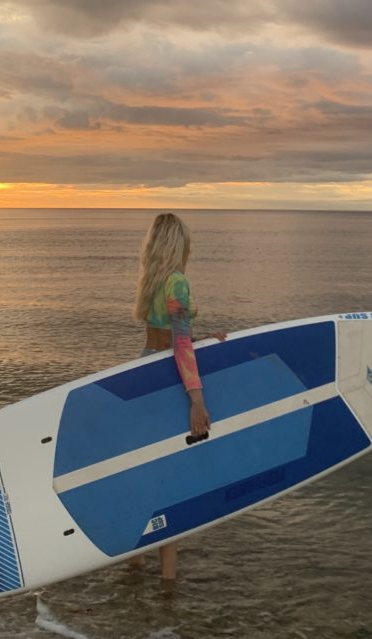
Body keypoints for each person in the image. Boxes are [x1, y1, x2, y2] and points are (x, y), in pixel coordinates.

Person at [131, 212, 225, 581]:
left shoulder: (151, 281)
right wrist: (197, 400)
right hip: (170, 379)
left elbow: (167, 338)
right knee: (171, 478)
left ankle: (134, 566)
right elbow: (181, 344)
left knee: (150, 472)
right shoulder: (178, 282)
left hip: (144, 370)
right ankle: (168, 583)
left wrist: (203, 340)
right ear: (179, 244)